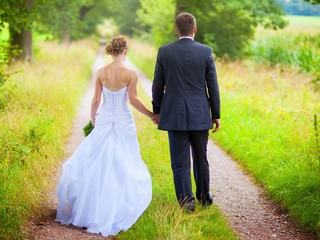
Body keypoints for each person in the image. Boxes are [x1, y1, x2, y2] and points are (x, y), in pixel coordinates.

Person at [56, 35, 156, 237]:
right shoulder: (130, 73)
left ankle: (89, 205)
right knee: (123, 159)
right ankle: (114, 205)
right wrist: (151, 115)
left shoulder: (102, 72)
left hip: (105, 118)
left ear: (112, 50)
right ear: (125, 50)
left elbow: (95, 100)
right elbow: (133, 100)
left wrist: (94, 120)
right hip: (123, 120)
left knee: (96, 159)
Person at [152, 12, 220, 212]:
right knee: (201, 157)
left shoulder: (164, 52)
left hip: (174, 114)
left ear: (176, 30)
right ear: (195, 28)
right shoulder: (206, 51)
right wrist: (216, 114)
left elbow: (158, 84)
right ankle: (204, 198)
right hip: (200, 113)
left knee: (180, 162)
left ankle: (186, 202)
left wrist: (157, 110)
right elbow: (212, 86)